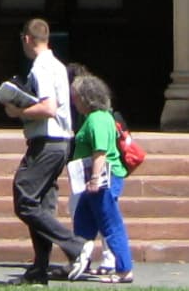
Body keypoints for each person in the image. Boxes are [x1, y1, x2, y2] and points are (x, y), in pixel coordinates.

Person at [4, 17, 78, 282]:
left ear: (27, 39)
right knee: (42, 205)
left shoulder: (42, 67)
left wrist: (18, 110)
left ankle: (75, 246)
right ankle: (39, 268)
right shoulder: (57, 65)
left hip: (46, 141)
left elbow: (48, 108)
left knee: (24, 198)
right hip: (61, 143)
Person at [66, 72, 133, 283]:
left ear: (87, 98)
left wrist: (95, 179)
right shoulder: (94, 118)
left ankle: (124, 270)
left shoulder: (97, 119)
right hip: (91, 180)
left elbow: (100, 152)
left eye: (76, 97)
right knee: (83, 223)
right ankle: (77, 261)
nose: (73, 102)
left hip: (104, 179)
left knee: (110, 225)